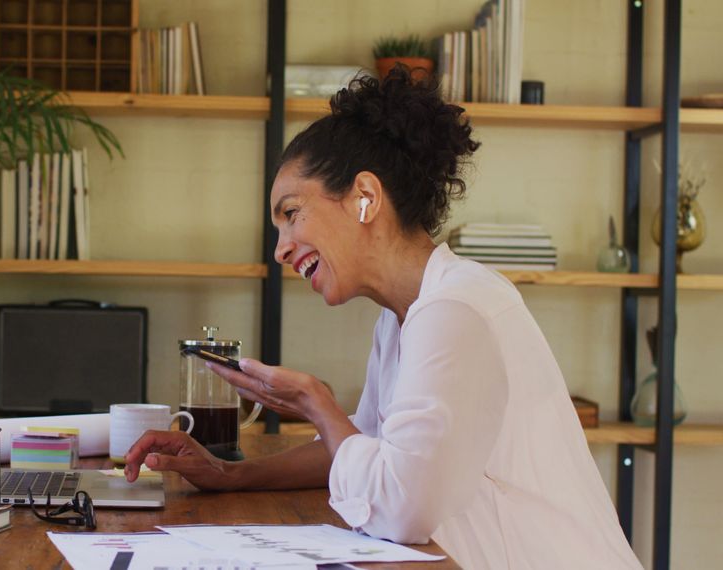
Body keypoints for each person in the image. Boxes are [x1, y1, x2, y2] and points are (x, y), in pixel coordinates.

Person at [124, 67, 641, 569]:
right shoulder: (405, 315)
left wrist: (316, 403)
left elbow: (403, 509)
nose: (281, 249)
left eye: (291, 214)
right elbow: (361, 446)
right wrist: (229, 474)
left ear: (365, 198)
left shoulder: (454, 311)